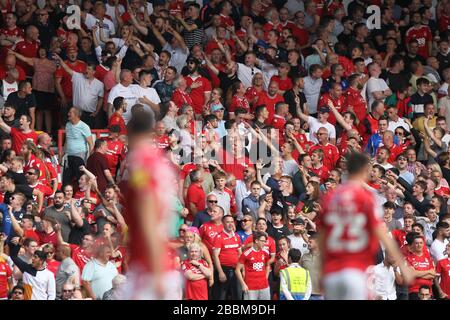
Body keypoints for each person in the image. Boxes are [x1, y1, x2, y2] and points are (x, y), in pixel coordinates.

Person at [320, 152, 413, 300]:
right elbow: (381, 234)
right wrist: (402, 265)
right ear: (364, 170)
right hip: (355, 270)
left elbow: (323, 237)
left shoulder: (331, 197)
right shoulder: (365, 198)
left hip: (332, 271)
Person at [212, 215, 242, 300]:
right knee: (221, 296)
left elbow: (240, 254)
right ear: (223, 224)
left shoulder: (237, 236)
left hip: (236, 270)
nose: (230, 224)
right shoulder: (219, 237)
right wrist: (220, 272)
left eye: (232, 222)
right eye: (227, 222)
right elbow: (215, 256)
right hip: (224, 269)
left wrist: (241, 269)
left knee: (237, 296)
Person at [235, 231, 271, 300]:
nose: (264, 243)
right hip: (250, 287)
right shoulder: (246, 253)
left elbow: (267, 265)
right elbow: (237, 270)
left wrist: (266, 278)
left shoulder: (265, 252)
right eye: (262, 241)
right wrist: (243, 284)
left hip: (264, 287)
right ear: (256, 240)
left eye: (265, 241)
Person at [62, 107, 94, 186]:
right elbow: (67, 140)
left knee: (80, 178)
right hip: (69, 155)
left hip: (79, 156)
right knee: (66, 179)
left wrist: (90, 159)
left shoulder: (84, 126)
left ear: (76, 115)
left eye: (70, 113)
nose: (68, 114)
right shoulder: (68, 125)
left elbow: (91, 143)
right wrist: (61, 155)